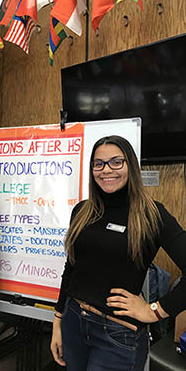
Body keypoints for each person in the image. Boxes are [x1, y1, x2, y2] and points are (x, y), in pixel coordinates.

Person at [50, 135, 186, 371]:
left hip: (117, 335)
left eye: (116, 162)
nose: (106, 170)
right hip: (74, 322)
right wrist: (58, 320)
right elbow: (71, 268)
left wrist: (155, 311)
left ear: (130, 166)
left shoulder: (152, 215)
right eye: (98, 163)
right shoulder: (82, 211)